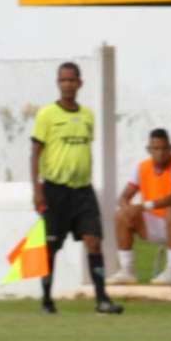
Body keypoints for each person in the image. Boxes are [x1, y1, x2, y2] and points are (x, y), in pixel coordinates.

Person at [30, 62, 123, 315]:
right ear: (58, 83)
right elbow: (36, 152)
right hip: (54, 190)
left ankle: (102, 299)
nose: (68, 84)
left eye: (72, 80)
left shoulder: (87, 116)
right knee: (51, 246)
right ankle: (47, 300)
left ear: (80, 83)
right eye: (63, 80)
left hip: (82, 190)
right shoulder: (47, 115)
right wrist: (37, 189)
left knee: (94, 241)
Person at [109, 129, 171, 286]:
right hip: (161, 223)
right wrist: (127, 209)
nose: (161, 153)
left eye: (164, 148)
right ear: (149, 150)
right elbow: (123, 197)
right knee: (121, 215)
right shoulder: (142, 167)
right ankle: (127, 270)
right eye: (156, 149)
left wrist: (142, 206)